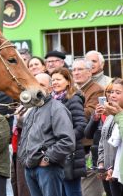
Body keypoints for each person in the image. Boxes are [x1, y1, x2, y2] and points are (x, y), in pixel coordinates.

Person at [18, 72, 76, 196]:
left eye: (41, 85)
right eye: (34, 84)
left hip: (48, 168)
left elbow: (67, 141)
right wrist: (25, 160)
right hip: (30, 167)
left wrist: (47, 158)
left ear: (50, 89)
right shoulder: (32, 109)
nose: (36, 88)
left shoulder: (57, 109)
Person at [51, 68, 87, 196]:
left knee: (72, 192)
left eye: (58, 79)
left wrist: (65, 141)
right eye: (53, 80)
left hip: (71, 155)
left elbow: (81, 126)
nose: (54, 82)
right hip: (56, 154)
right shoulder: (51, 101)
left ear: (68, 81)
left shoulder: (73, 99)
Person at [72, 58, 105, 196]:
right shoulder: (73, 89)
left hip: (89, 145)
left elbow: (88, 114)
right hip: (76, 146)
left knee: (89, 191)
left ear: (89, 72)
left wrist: (67, 109)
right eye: (73, 70)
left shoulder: (96, 89)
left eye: (80, 69)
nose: (76, 73)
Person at [96, 78, 123, 196]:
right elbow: (103, 141)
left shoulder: (117, 114)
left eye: (118, 92)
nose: (112, 95)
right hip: (110, 170)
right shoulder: (110, 115)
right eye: (111, 92)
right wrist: (102, 164)